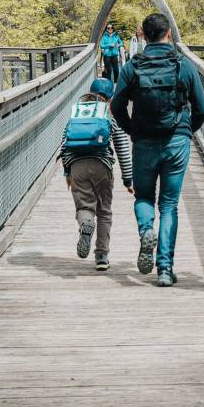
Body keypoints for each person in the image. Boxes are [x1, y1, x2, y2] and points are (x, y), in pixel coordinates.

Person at [109, 12, 204, 286]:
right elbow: (202, 109)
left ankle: (146, 231)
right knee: (169, 205)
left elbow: (116, 106)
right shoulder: (183, 65)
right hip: (176, 141)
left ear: (143, 34)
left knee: (143, 197)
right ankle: (165, 269)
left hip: (143, 142)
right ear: (169, 35)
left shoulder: (132, 66)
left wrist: (131, 129)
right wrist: (186, 130)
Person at [59, 77, 133, 270]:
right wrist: (128, 178)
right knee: (104, 211)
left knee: (84, 206)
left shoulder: (76, 114)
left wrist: (67, 171)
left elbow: (64, 144)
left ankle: (86, 223)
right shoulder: (109, 116)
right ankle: (101, 256)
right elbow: (122, 147)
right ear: (110, 98)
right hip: (102, 166)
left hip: (77, 167)